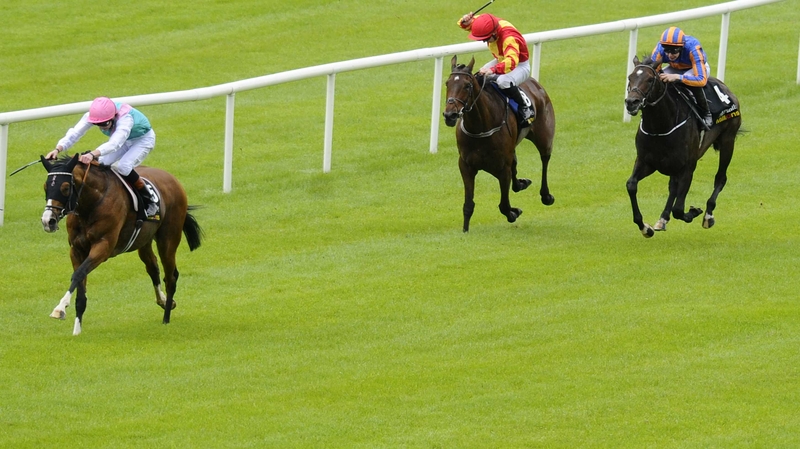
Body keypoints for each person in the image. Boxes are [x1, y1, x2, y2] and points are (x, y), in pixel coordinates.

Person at [45, 97, 158, 217]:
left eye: (104, 124)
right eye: (97, 124)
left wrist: (92, 154)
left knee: (123, 166)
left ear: (113, 116)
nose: (101, 127)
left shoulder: (126, 119)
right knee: (102, 163)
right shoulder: (93, 115)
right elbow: (75, 133)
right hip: (125, 141)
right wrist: (58, 149)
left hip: (142, 140)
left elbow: (115, 143)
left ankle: (149, 200)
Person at [457, 12, 535, 126]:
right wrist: (464, 21)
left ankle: (524, 106)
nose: (485, 41)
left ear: (494, 33)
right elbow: (469, 25)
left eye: (486, 39)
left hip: (520, 65)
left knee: (503, 81)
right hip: (502, 59)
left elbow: (512, 61)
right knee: (479, 75)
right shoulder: (486, 24)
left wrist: (493, 70)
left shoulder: (509, 37)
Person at [651, 26, 713, 130]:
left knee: (693, 85)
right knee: (658, 81)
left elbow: (701, 80)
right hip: (675, 67)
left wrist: (677, 77)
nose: (670, 55)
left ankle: (706, 113)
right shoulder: (659, 49)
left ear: (681, 47)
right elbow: (653, 72)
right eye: (667, 51)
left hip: (695, 69)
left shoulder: (693, 48)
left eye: (674, 51)